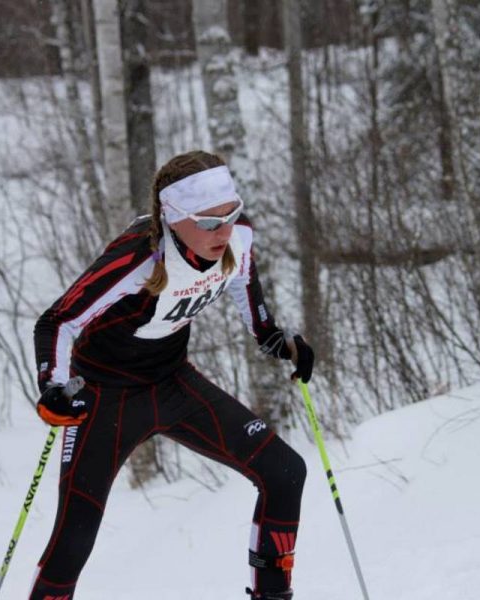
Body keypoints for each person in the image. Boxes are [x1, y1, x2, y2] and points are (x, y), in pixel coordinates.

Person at [29, 150, 314, 600]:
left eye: (230, 215)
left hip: (172, 383)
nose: (222, 231)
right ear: (172, 217)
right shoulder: (138, 258)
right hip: (104, 397)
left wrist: (279, 341)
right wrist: (53, 386)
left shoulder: (236, 239)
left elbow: (249, 299)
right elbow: (57, 322)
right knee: (74, 539)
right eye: (207, 222)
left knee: (285, 471)